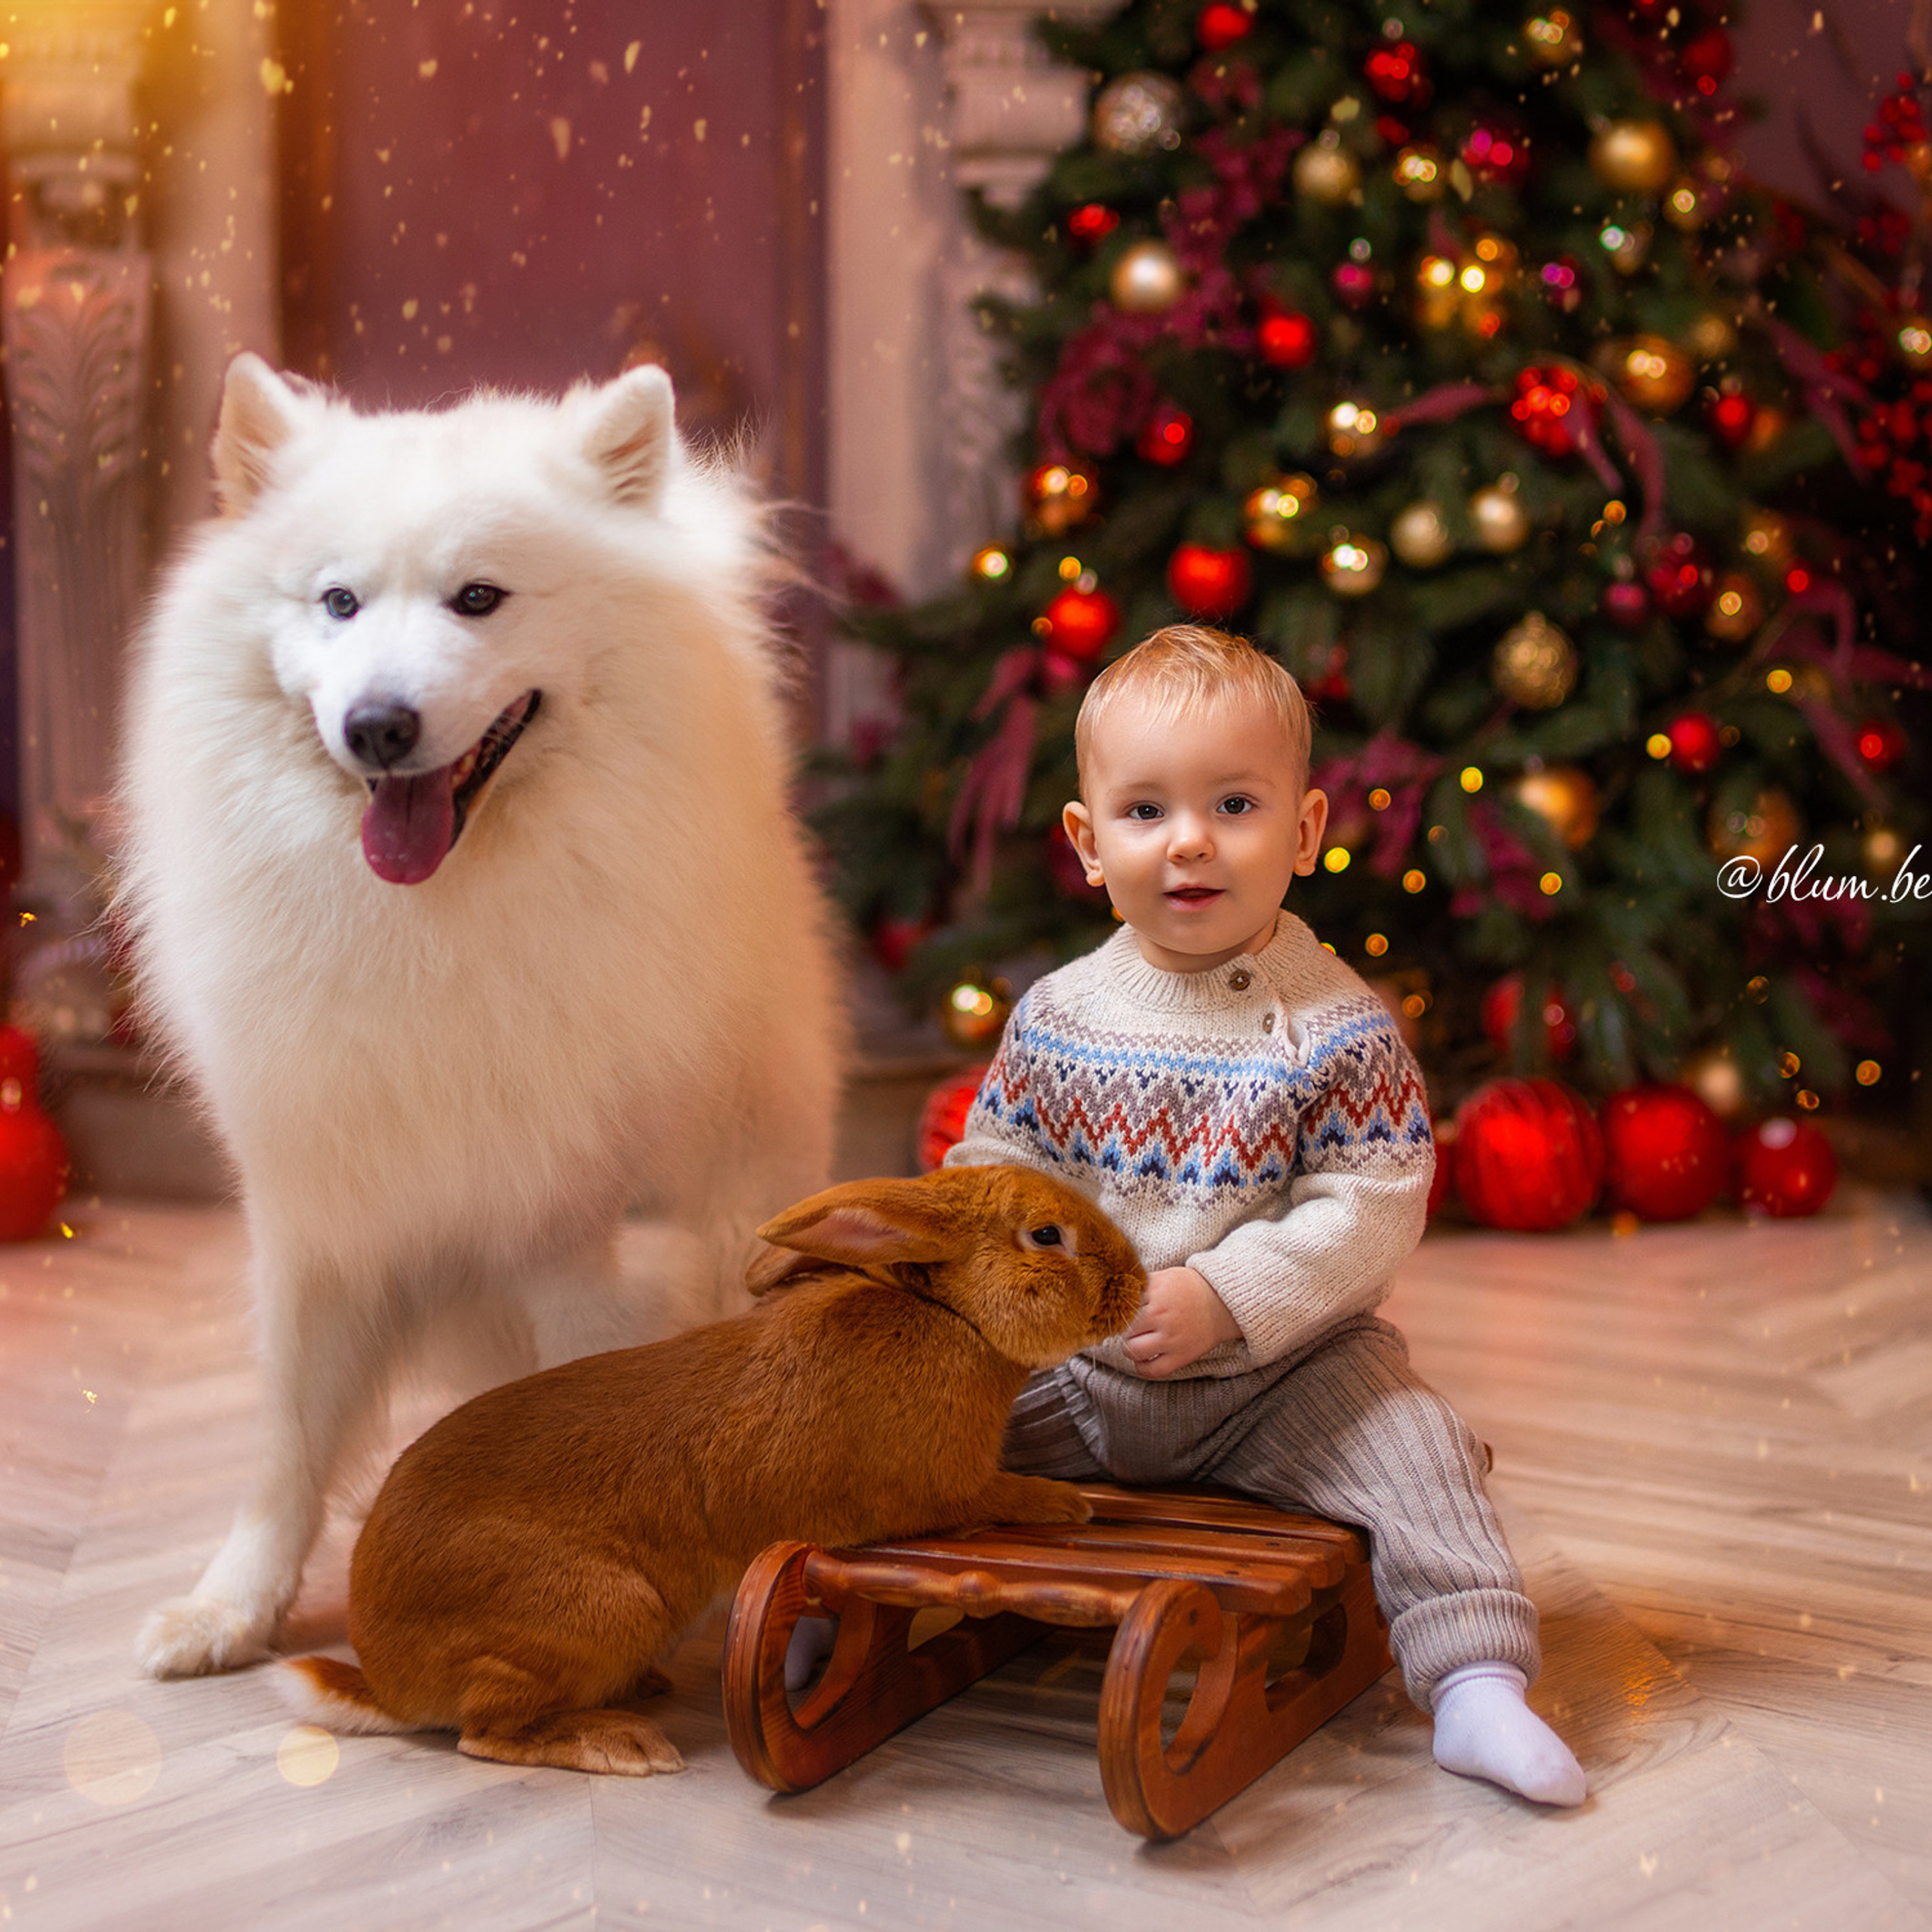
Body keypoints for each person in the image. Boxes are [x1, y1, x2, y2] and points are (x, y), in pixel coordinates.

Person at [944, 623, 1586, 1807]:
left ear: (1303, 830)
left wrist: (1228, 1295)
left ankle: (1475, 1681)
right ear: (1088, 842)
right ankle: (841, 1590)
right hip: (1080, 1376)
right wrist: (1012, 1272)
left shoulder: (1338, 1028)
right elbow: (995, 1165)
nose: (1189, 841)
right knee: (922, 1409)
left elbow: (1374, 1203)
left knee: (1418, 1447)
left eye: (1234, 805)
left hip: (1280, 1381)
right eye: (1146, 811)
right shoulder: (1058, 1015)